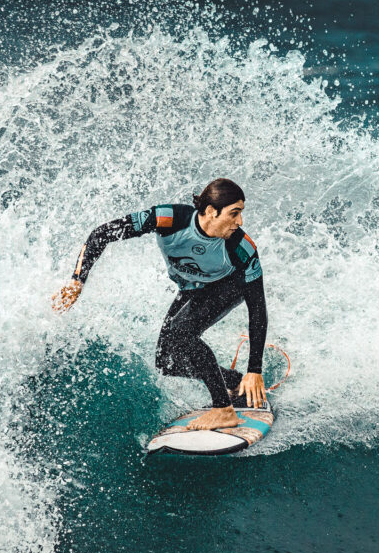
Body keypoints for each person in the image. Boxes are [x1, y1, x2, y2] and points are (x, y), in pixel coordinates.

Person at [52, 178, 267, 431]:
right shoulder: (169, 219)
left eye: (240, 213)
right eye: (234, 213)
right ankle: (233, 382)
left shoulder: (241, 247)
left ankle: (223, 409)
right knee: (166, 362)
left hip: (229, 286)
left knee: (182, 332)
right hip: (192, 288)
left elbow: (257, 308)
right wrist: (77, 281)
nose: (239, 221)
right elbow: (102, 233)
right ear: (211, 211)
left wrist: (255, 369)